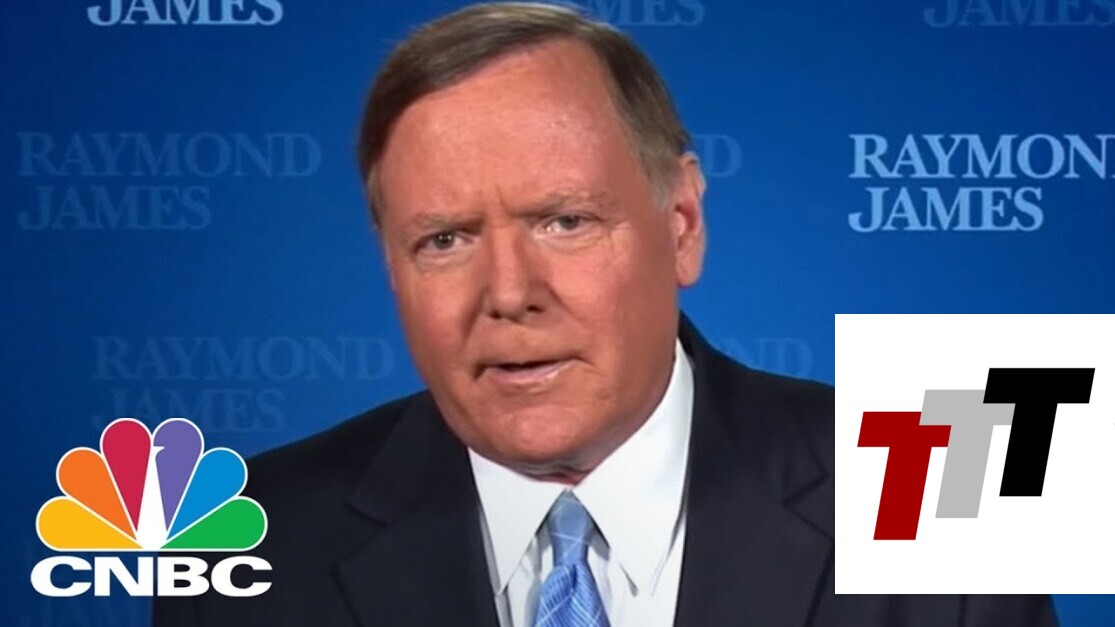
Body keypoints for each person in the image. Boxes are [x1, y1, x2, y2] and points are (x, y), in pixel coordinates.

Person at [154, 3, 1058, 626]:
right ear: (390, 264)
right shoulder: (241, 537)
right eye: (444, 239)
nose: (508, 292)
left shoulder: (952, 474)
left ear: (682, 224)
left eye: (564, 221)